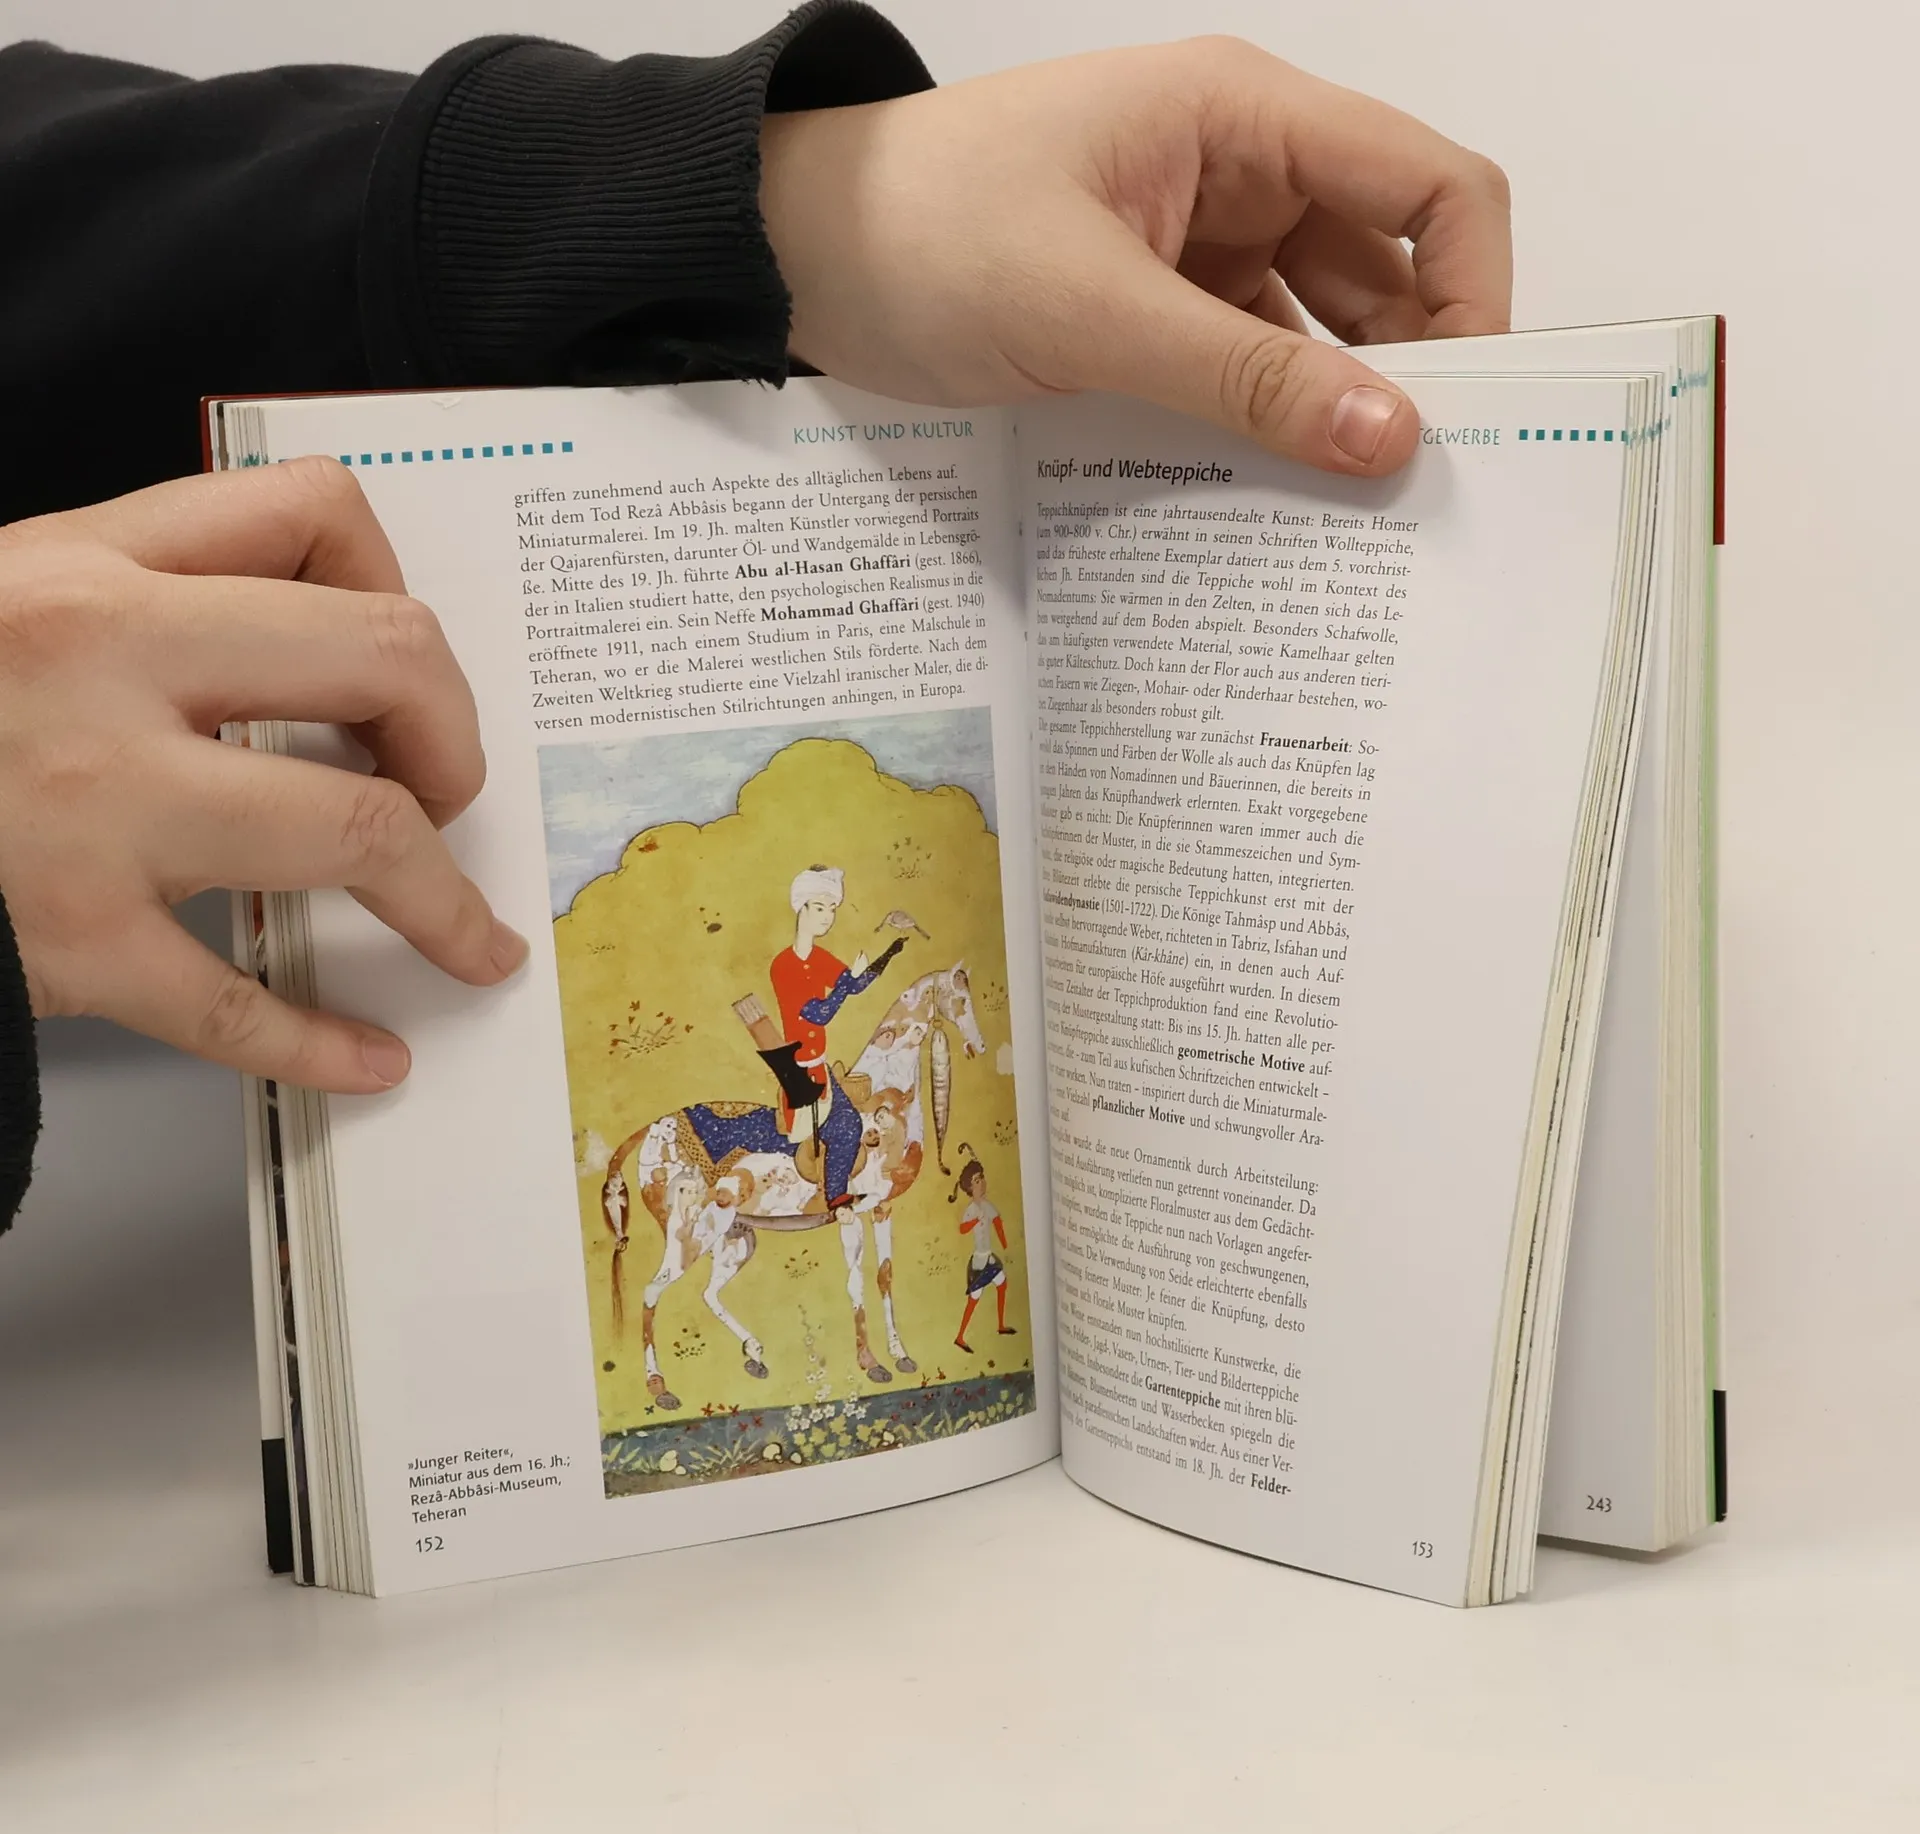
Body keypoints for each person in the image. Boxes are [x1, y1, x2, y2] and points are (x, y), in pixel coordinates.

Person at [0, 4, 1512, 1236]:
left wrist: (780, 200)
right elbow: (808, 1014)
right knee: (837, 1126)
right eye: (813, 900)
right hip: (778, 1079)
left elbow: (60, 217)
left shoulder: (820, 955)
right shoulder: (795, 976)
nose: (816, 910)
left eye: (819, 901)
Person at [767, 866, 902, 1210]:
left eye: (832, 909)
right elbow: (819, 1013)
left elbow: (853, 984)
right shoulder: (783, 966)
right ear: (801, 908)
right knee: (829, 1128)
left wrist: (888, 955)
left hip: (820, 1067)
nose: (827, 917)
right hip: (799, 1070)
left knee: (848, 1124)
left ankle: (836, 1196)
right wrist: (844, 984)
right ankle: (830, 1196)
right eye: (819, 907)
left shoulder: (819, 957)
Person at [951, 1151, 1014, 1353]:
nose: (981, 1183)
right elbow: (962, 1229)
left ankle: (1001, 1325)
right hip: (980, 1261)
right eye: (976, 1181)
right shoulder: (972, 1209)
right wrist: (974, 1221)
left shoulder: (987, 1205)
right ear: (969, 1187)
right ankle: (960, 1336)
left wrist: (1005, 1244)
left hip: (989, 1256)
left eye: (982, 1178)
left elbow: (997, 1222)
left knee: (1002, 1284)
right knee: (974, 1299)